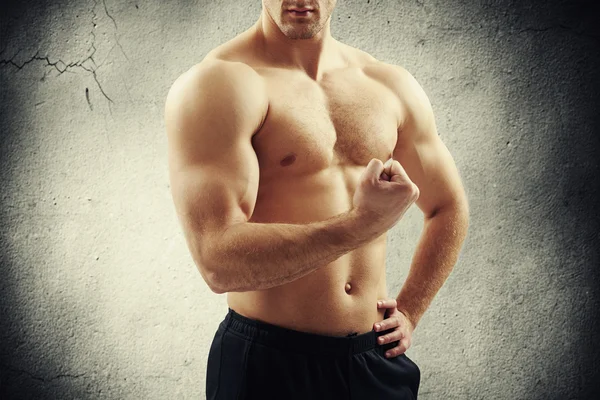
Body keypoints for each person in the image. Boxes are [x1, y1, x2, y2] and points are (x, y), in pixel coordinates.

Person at [164, 1, 469, 398]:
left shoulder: (389, 84)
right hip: (270, 365)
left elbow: (448, 206)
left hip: (373, 359)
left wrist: (410, 310)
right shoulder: (221, 85)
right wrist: (360, 226)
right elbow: (217, 261)